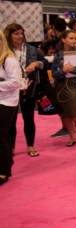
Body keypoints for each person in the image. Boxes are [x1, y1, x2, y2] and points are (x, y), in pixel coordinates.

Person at [4, 23, 46, 157]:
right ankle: (10, 147)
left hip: (29, 88)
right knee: (10, 121)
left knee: (29, 118)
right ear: (8, 35)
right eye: (16, 33)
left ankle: (30, 145)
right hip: (10, 90)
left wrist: (36, 64)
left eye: (21, 33)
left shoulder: (32, 49)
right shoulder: (4, 51)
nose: (20, 36)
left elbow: (44, 63)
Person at [0, 32, 28, 185]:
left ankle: (4, 171)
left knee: (1, 137)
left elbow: (16, 82)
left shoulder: (9, 60)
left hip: (7, 102)